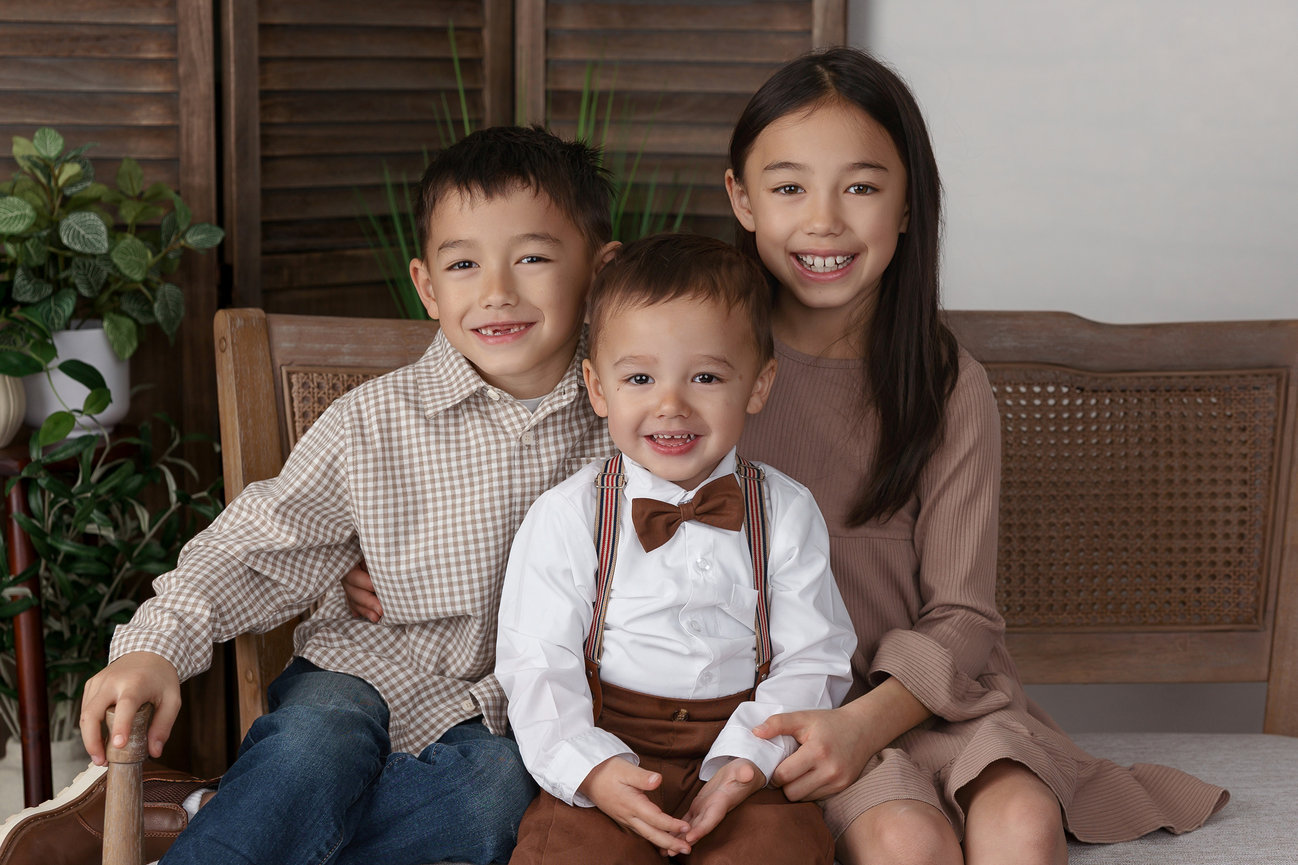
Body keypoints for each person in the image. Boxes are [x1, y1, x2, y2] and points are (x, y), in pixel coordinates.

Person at [0, 125, 619, 865]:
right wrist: (155, 647)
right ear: (427, 286)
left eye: (533, 257)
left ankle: (208, 820)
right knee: (313, 746)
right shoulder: (373, 421)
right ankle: (248, 826)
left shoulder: (630, 425)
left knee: (497, 800)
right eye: (464, 263)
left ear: (600, 274)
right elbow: (260, 547)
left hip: (500, 713)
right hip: (362, 670)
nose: (497, 292)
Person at [724, 47, 1228, 865]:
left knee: (1022, 823)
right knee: (908, 840)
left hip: (935, 698)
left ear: (909, 204)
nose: (824, 221)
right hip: (799, 708)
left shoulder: (946, 380)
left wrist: (869, 721)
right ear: (741, 199)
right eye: (789, 188)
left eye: (861, 187)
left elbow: (963, 614)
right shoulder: (707, 375)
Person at [496, 233, 857, 865]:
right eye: (639, 377)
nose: (671, 405)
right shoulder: (569, 515)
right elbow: (538, 663)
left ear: (758, 385)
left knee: (780, 850)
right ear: (598, 388)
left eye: (706, 377)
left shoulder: (786, 510)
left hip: (746, 748)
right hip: (609, 747)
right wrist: (592, 770)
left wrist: (751, 759)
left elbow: (813, 655)